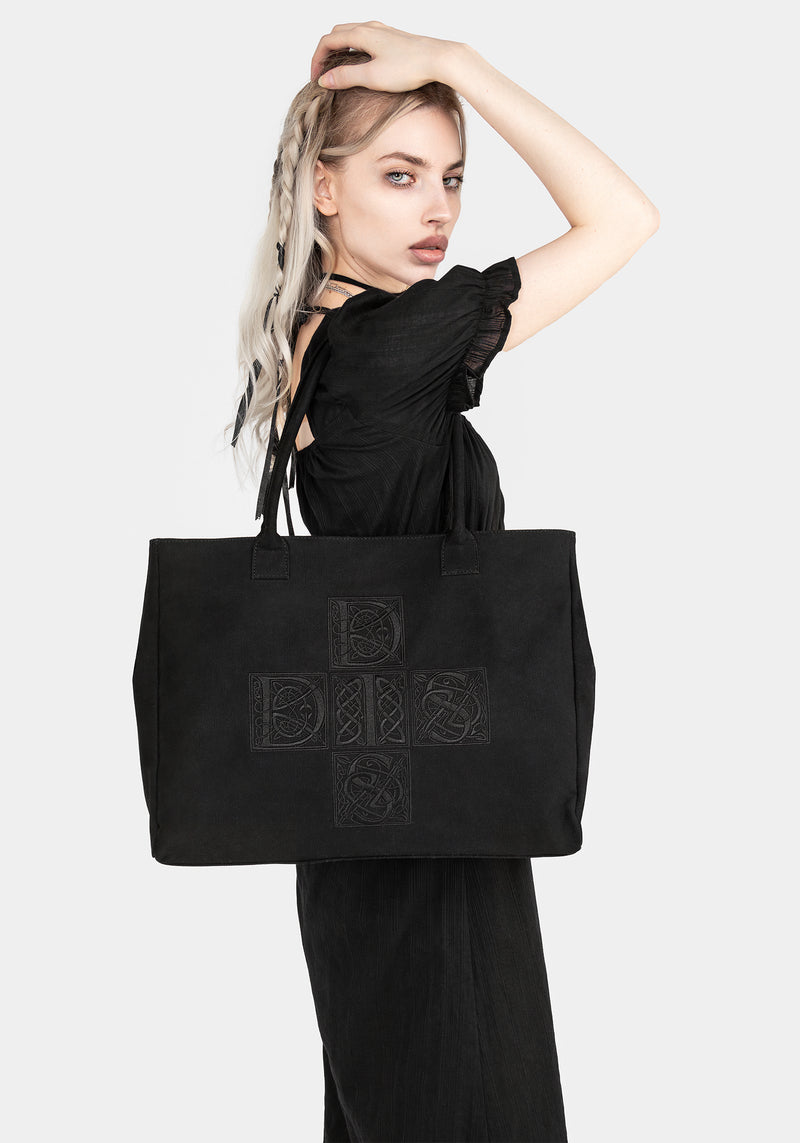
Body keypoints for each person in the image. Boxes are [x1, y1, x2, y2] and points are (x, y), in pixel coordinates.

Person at [227, 21, 658, 1142]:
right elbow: (622, 217)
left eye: (453, 178)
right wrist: (458, 64)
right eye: (400, 175)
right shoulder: (392, 346)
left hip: (358, 815)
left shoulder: (307, 339)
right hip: (439, 801)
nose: (438, 210)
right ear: (323, 190)